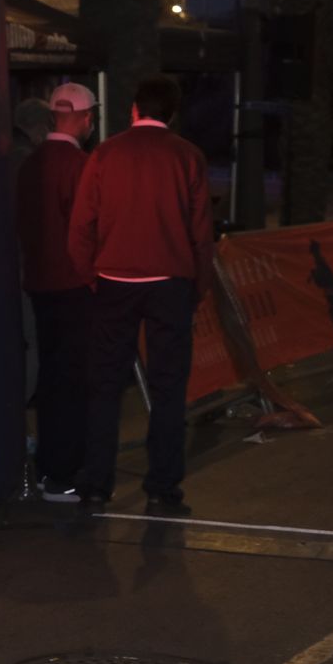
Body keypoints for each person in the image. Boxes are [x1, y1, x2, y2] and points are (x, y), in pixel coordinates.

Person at [68, 76, 212, 517]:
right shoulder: (188, 156)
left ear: (134, 108)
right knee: (169, 386)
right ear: (172, 112)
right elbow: (200, 231)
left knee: (105, 384)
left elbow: (81, 224)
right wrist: (197, 284)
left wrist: (91, 274)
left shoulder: (106, 154)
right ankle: (163, 485)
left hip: (114, 280)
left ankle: (96, 482)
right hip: (170, 281)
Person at [14, 82, 97, 503]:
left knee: (50, 379)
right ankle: (64, 473)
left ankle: (50, 465)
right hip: (74, 287)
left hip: (39, 284)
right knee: (72, 382)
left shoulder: (29, 165)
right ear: (86, 118)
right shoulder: (82, 167)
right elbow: (86, 231)